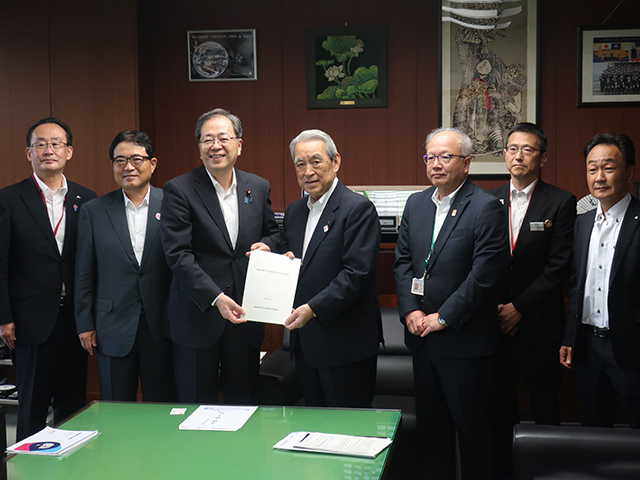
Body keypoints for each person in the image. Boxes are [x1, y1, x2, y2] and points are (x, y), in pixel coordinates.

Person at [394, 127, 509, 480]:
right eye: (430, 157)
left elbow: (484, 275)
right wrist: (410, 310)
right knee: (432, 434)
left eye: (446, 157)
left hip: (464, 343)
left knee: (473, 435)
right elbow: (403, 263)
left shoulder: (486, 206)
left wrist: (442, 317)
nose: (436, 164)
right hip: (424, 341)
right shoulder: (416, 203)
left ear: (467, 163)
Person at [252, 129, 382, 408]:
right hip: (306, 344)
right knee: (315, 429)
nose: (308, 171)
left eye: (316, 161)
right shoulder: (296, 210)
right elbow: (289, 251)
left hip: (346, 344)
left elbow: (356, 274)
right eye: (300, 164)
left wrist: (312, 309)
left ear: (336, 162)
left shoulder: (358, 209)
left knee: (348, 432)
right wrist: (269, 250)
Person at [160, 108, 279, 404]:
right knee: (196, 406)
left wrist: (267, 245)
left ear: (239, 144)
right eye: (207, 139)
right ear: (199, 147)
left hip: (244, 314)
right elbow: (178, 255)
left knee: (244, 402)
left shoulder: (258, 186)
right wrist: (216, 297)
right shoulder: (179, 189)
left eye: (223, 138)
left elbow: (274, 233)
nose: (216, 145)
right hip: (197, 315)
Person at [488, 122, 576, 479]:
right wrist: (497, 308)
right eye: (512, 148)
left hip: (540, 325)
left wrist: (518, 308)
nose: (518, 155)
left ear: (542, 157)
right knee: (500, 408)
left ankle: (547, 472)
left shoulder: (560, 201)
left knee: (544, 407)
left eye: (527, 149)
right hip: (495, 325)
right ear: (504, 154)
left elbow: (559, 268)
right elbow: (482, 260)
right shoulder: (488, 199)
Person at [0, 117, 96, 440]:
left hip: (75, 322)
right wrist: (4, 318)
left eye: (55, 143)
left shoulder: (87, 199)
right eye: (40, 144)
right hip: (29, 322)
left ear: (69, 151)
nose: (48, 150)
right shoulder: (9, 199)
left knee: (72, 407)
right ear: (29, 153)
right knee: (32, 409)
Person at [74, 131, 175, 402]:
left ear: (152, 164)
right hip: (112, 325)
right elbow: (84, 272)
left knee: (162, 406)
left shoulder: (174, 205)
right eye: (120, 160)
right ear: (113, 166)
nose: (128, 167)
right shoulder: (94, 211)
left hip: (162, 324)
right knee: (115, 407)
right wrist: (85, 323)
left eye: (136, 159)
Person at [560, 133, 640, 428]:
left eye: (608, 167)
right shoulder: (582, 223)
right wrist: (570, 338)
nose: (599, 177)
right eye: (592, 168)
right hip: (587, 346)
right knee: (593, 429)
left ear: (629, 172)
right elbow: (577, 284)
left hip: (631, 348)